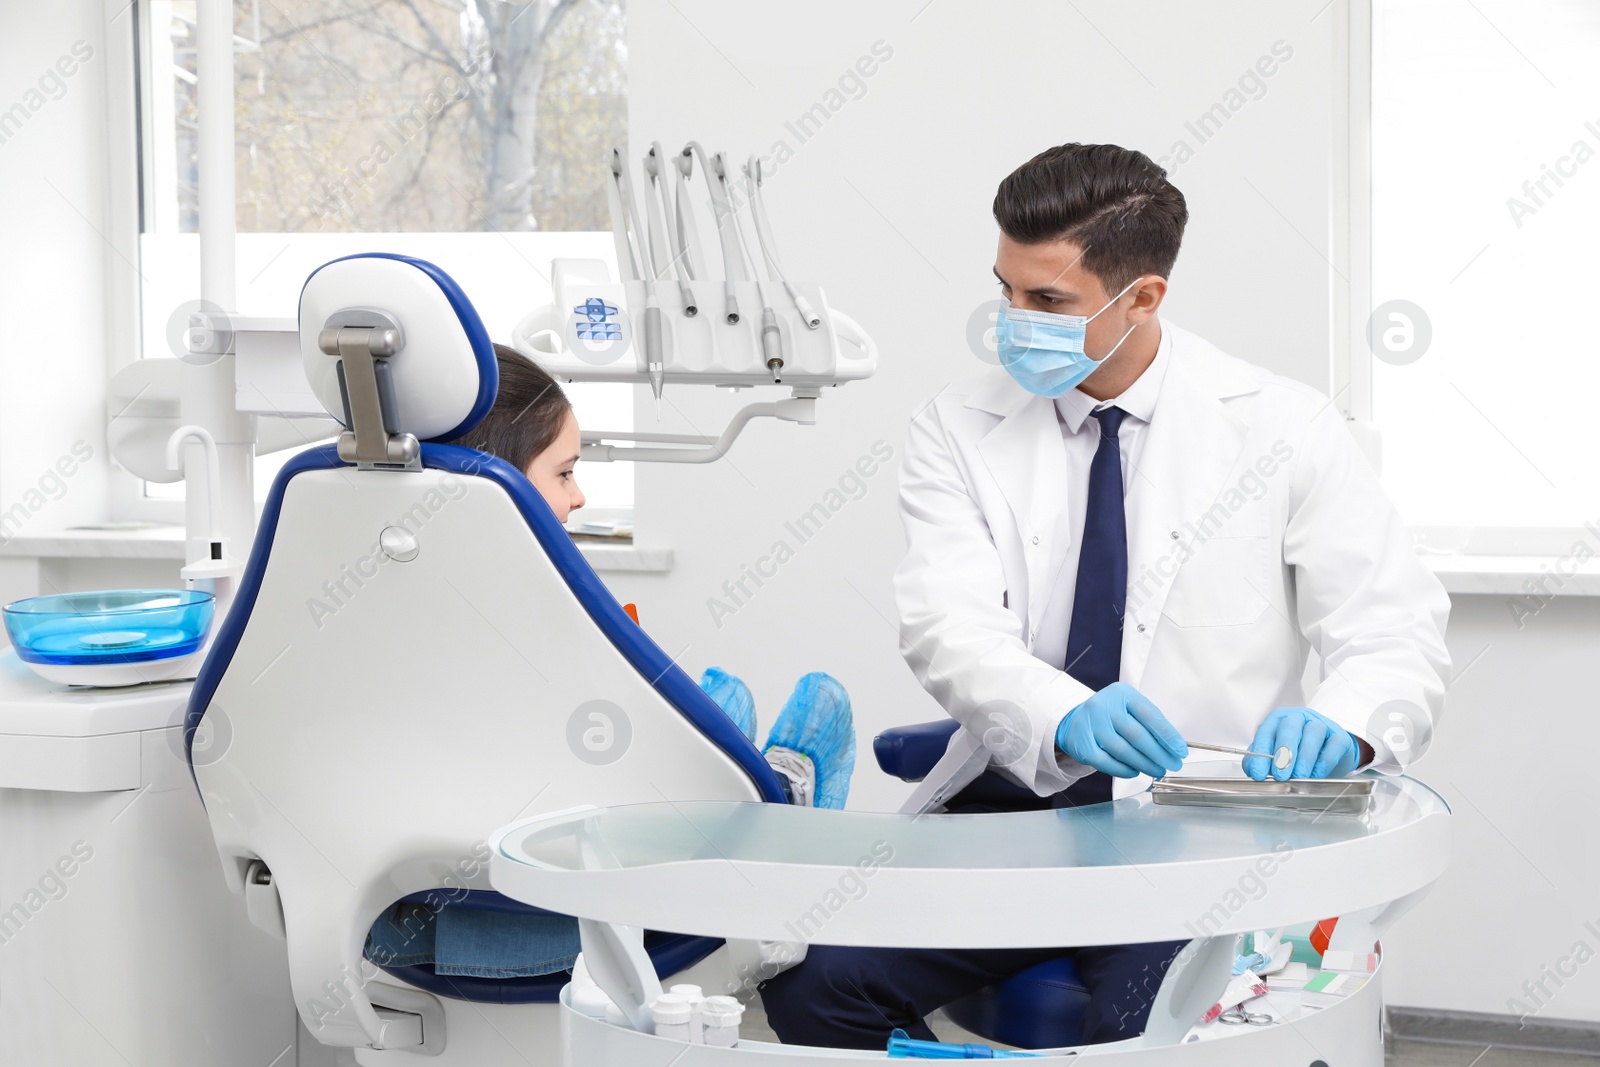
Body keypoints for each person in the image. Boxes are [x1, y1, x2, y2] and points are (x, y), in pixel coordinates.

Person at [761, 143, 1450, 1047]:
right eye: (1004, 290)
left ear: (1145, 297)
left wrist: (1347, 721)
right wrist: (1061, 713)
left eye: (1047, 301)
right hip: (1018, 811)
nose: (1013, 321)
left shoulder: (1283, 428)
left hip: (1195, 837)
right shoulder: (957, 428)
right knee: (811, 986)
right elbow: (945, 624)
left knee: (1155, 1029)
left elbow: (1392, 626)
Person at [364, 344, 857, 980]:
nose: (579, 497)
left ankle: (764, 806)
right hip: (558, 922)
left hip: (391, 920)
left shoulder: (371, 594)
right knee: (798, 705)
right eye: (565, 473)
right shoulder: (541, 607)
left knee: (715, 695)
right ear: (494, 484)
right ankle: (780, 825)